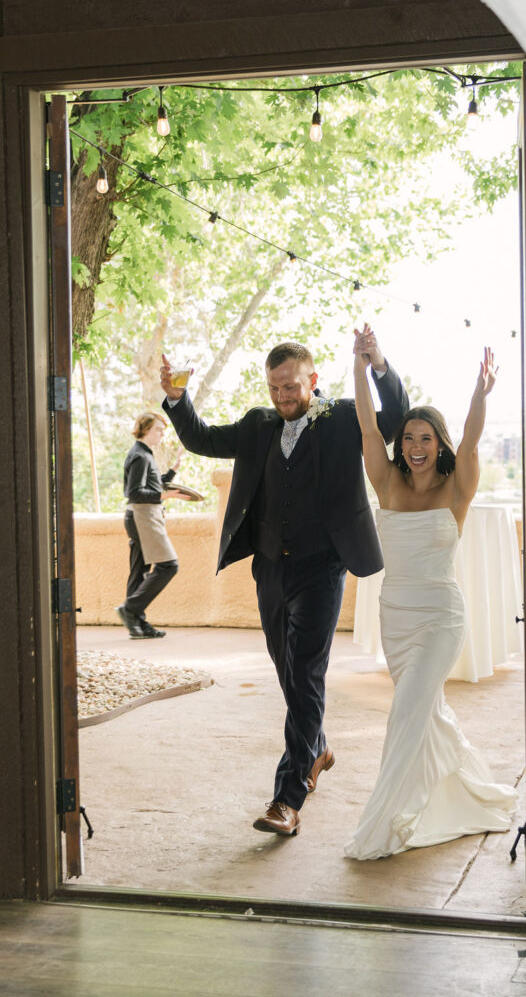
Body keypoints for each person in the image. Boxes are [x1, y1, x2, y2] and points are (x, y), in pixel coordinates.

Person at [159, 336, 408, 837]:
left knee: (306, 674)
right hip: (271, 567)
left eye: (290, 386)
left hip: (323, 566)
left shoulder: (341, 416)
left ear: (312, 381)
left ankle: (288, 798)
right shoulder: (257, 424)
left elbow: (396, 420)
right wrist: (176, 399)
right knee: (287, 668)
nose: (282, 396)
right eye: (274, 387)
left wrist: (378, 363)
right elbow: (203, 440)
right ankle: (316, 748)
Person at [345, 332, 517, 860]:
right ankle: (466, 791)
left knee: (408, 710)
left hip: (441, 616)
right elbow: (367, 425)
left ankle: (381, 824)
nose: (417, 448)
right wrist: (359, 364)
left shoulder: (456, 488)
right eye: (411, 439)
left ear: (438, 444)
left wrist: (480, 395)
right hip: (396, 616)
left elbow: (471, 440)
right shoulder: (387, 483)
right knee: (428, 714)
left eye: (426, 440)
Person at [116, 412, 182, 640]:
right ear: (144, 429)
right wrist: (166, 496)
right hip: (142, 517)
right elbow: (134, 492)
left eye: (163, 430)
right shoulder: (140, 456)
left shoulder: (143, 454)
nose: (162, 434)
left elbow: (150, 484)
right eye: (158, 430)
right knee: (169, 566)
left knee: (139, 571)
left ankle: (137, 623)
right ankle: (130, 609)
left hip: (139, 516)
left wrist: (173, 471)